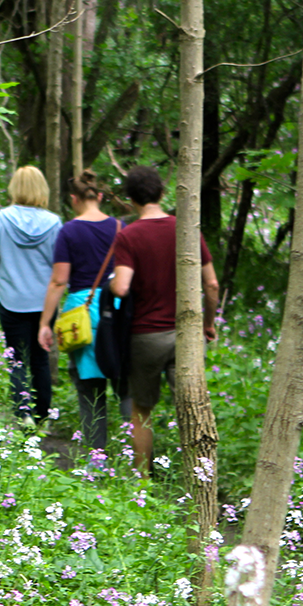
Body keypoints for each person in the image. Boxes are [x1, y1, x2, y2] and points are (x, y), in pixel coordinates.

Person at [109, 165, 219, 474]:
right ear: (161, 193)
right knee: (193, 407)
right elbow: (211, 284)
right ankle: (202, 475)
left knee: (141, 409)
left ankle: (142, 478)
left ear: (130, 199)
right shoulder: (186, 230)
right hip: (187, 333)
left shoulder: (129, 236)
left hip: (145, 336)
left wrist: (109, 284)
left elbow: (121, 287)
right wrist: (207, 323)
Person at [37, 170, 123, 455]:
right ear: (99, 196)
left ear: (73, 199)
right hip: (117, 307)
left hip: (82, 312)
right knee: (124, 383)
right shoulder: (121, 228)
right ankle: (135, 459)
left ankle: (96, 461)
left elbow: (59, 280)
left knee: (89, 387)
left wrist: (45, 323)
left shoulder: (69, 231)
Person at [0, 165, 63, 423]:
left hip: (12, 302)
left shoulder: (1, 220)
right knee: (40, 358)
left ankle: (22, 412)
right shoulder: (54, 223)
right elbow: (58, 265)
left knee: (15, 358)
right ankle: (42, 416)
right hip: (44, 304)